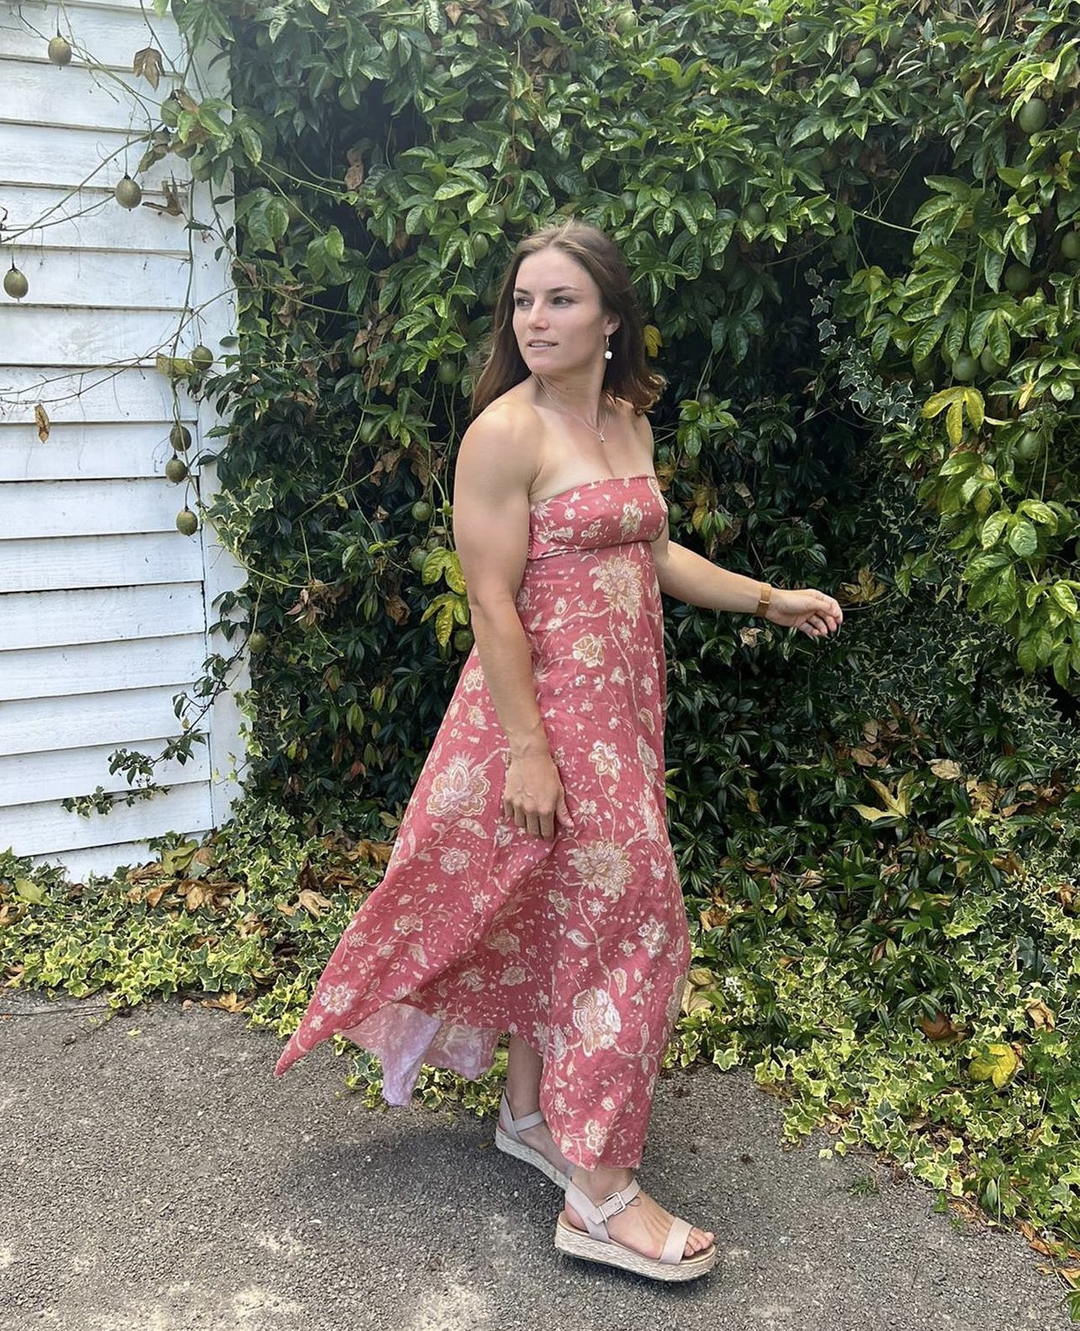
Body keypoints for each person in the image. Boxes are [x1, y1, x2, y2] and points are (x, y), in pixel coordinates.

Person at [274, 218, 843, 1282]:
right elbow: (491, 601)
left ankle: (529, 1114)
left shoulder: (626, 418)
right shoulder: (504, 434)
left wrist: (769, 598)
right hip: (541, 719)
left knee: (561, 912)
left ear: (612, 318)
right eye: (523, 301)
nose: (535, 319)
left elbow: (654, 548)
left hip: (625, 717)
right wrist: (529, 753)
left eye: (561, 300)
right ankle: (598, 1192)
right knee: (640, 924)